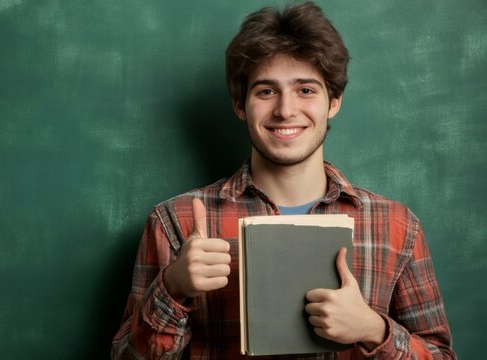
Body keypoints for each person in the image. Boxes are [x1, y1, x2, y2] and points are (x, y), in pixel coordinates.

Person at [111, 2, 456, 359]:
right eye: (266, 91)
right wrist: (173, 288)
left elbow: (441, 354)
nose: (286, 110)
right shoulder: (174, 222)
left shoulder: (397, 226)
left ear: (333, 101)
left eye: (306, 90)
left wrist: (373, 329)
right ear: (240, 104)